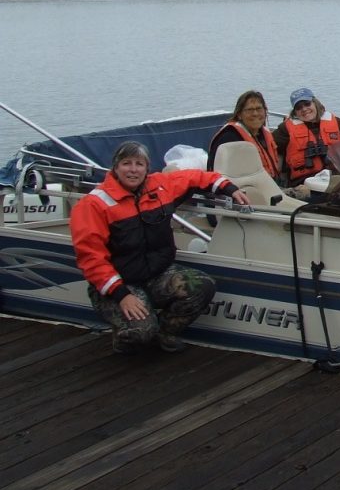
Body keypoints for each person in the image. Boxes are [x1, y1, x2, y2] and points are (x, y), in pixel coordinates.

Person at [69, 141, 251, 354]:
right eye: (126, 163)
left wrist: (229, 188)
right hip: (120, 284)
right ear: (115, 168)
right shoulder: (94, 205)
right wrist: (122, 294)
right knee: (140, 332)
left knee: (202, 286)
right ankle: (129, 337)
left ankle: (163, 333)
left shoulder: (161, 187)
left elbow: (198, 177)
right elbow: (90, 258)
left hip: (156, 275)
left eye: (139, 164)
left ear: (147, 168)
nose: (133, 169)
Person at [273, 87, 340, 188]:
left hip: (337, 178)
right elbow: (269, 146)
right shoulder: (285, 129)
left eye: (307, 104)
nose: (304, 109)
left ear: (315, 103)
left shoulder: (335, 122)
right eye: (298, 107)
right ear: (295, 112)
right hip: (304, 183)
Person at [208, 90, 280, 182]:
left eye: (259, 109)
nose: (255, 113)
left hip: (270, 185)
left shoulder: (262, 134)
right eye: (250, 110)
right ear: (239, 115)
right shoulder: (229, 138)